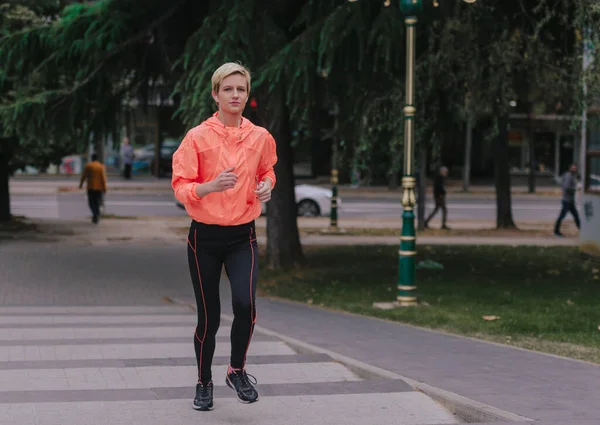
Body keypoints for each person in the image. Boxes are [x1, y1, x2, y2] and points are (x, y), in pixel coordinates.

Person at [171, 62, 277, 412]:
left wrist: (266, 186)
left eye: (241, 90)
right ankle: (203, 382)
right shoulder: (197, 137)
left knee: (245, 304)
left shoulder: (260, 137)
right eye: (228, 89)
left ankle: (237, 370)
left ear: (248, 95)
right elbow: (181, 186)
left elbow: (267, 171)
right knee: (209, 316)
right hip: (204, 238)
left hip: (242, 235)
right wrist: (208, 187)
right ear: (215, 94)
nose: (235, 95)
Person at [78, 153, 107, 224]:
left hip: (90, 187)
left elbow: (84, 176)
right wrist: (105, 188)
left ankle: (95, 214)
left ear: (92, 158)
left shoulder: (88, 166)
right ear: (97, 159)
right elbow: (103, 178)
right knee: (97, 202)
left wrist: (81, 184)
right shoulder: (101, 166)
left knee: (91, 202)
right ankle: (97, 214)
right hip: (99, 188)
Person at [554, 163, 581, 237]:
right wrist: (575, 189)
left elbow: (562, 183)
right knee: (563, 216)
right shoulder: (569, 176)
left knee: (575, 216)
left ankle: (582, 230)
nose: (574, 169)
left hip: (570, 201)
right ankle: (556, 231)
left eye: (575, 168)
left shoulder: (569, 175)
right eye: (573, 168)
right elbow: (566, 187)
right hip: (567, 200)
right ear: (570, 168)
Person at [424, 165, 450, 229]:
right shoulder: (439, 178)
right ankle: (443, 225)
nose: (446, 173)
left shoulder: (440, 178)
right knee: (444, 210)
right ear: (441, 172)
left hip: (439, 196)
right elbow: (438, 188)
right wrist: (441, 194)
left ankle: (426, 222)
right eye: (445, 172)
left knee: (436, 210)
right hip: (439, 196)